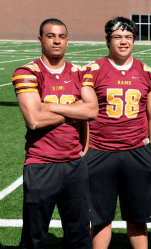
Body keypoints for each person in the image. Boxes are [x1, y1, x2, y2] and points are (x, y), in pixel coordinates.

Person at [12, 18, 98, 248]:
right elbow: (35, 120)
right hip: (40, 164)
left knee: (80, 235)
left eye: (61, 37)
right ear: (40, 40)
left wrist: (49, 106)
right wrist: (74, 111)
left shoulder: (81, 72)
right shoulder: (27, 72)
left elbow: (92, 110)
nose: (56, 41)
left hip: (74, 163)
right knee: (34, 236)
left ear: (67, 42)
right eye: (51, 36)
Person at [83, 17, 151, 249]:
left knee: (139, 220)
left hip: (137, 152)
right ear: (107, 40)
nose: (123, 42)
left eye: (128, 37)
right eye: (117, 37)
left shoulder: (147, 72)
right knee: (99, 219)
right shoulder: (92, 71)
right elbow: (85, 116)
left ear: (134, 40)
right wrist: (87, 150)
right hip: (100, 151)